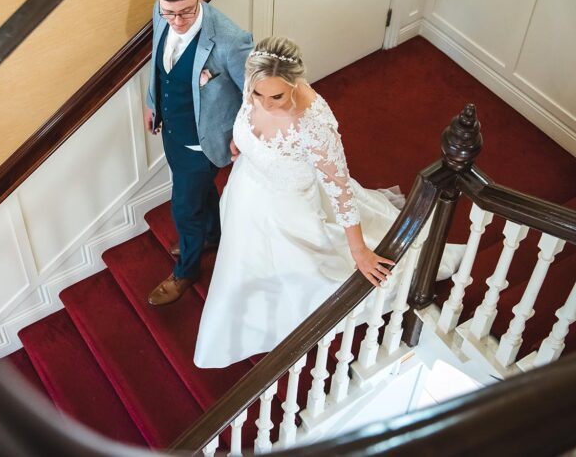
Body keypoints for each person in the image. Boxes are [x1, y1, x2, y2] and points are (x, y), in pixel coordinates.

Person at [194, 36, 460, 368]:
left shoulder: (314, 127)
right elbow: (250, 111)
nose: (264, 103)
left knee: (301, 273)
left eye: (276, 96)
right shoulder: (259, 84)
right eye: (257, 94)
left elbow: (340, 191)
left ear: (295, 83)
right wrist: (241, 141)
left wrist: (360, 251)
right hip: (247, 191)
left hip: (290, 213)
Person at [144, 0, 254, 306]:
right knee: (199, 193)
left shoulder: (230, 40)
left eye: (186, 13)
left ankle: (187, 270)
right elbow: (157, 62)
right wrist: (152, 103)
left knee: (183, 208)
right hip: (172, 129)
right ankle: (212, 235)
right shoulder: (161, 10)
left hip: (204, 141)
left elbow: (255, 93)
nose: (176, 22)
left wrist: (242, 134)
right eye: (169, 13)